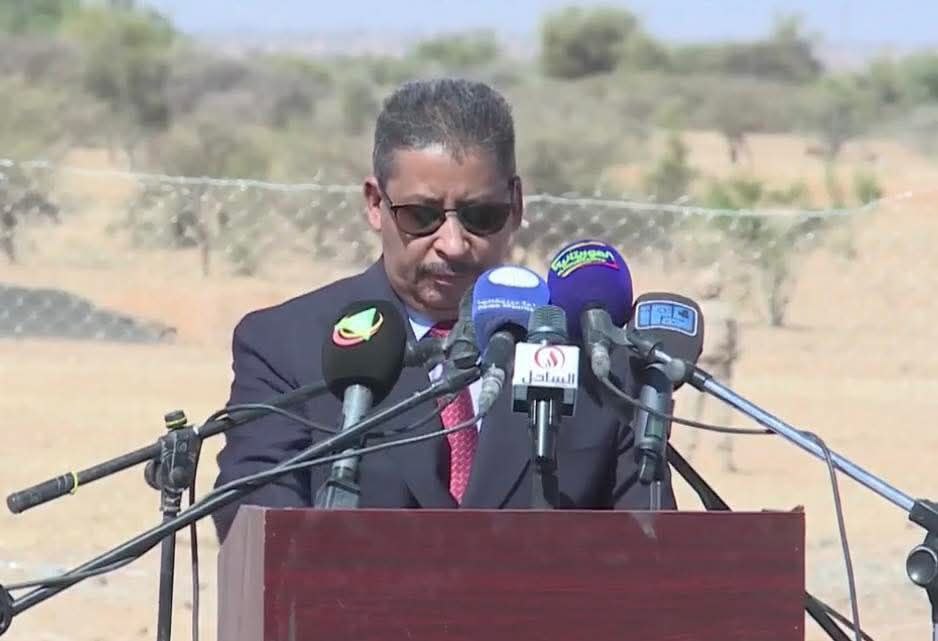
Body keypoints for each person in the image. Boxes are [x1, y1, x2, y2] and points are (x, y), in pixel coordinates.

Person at [210, 78, 676, 542]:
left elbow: (651, 552)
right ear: (375, 204)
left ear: (515, 205)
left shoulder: (598, 358)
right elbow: (259, 531)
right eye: (421, 215)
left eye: (481, 216)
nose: (452, 244)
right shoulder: (287, 345)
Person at [687, 268, 741, 473]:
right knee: (691, 413)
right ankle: (687, 455)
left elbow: (735, 339)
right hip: (697, 367)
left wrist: (731, 356)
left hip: (719, 367)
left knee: (721, 414)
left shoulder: (725, 311)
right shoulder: (698, 309)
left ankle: (724, 459)